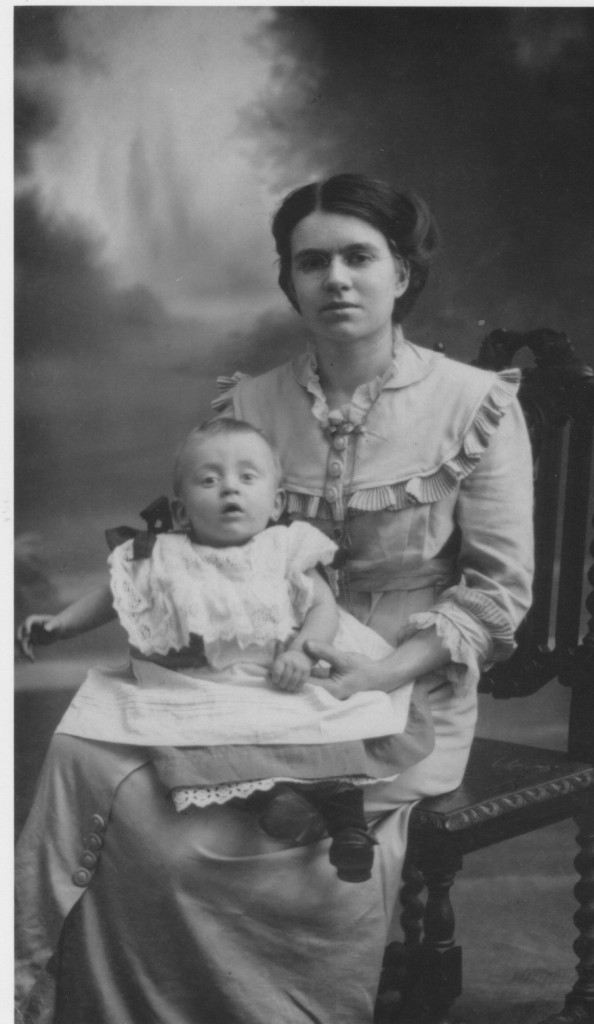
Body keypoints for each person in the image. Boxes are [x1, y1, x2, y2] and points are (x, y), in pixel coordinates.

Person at [16, 173, 534, 1024]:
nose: (336, 279)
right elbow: (178, 539)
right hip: (250, 678)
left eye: (360, 257)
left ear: (401, 273)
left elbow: (497, 594)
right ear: (289, 280)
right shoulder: (249, 403)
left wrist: (374, 680)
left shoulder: (473, 404)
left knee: (226, 847)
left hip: (405, 679)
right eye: (312, 261)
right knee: (117, 803)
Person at [17, 418, 434, 886]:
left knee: (328, 732)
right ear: (180, 511)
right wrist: (58, 624)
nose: (229, 489)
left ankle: (349, 827)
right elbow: (113, 597)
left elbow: (323, 609)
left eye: (247, 477)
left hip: (280, 678)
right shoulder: (162, 553)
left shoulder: (284, 548)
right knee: (202, 747)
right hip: (201, 686)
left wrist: (300, 651)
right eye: (209, 479)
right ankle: (270, 802)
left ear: (275, 502)